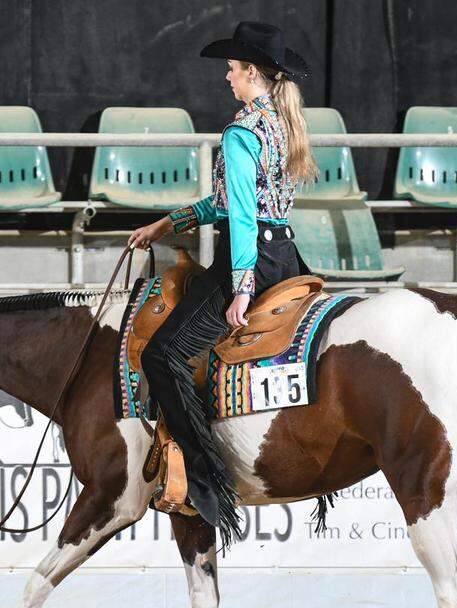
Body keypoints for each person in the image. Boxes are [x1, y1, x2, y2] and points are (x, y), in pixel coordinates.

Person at [127, 21, 317, 539]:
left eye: (232, 71)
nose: (227, 80)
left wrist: (240, 287)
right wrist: (168, 224)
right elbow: (230, 202)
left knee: (160, 355)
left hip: (250, 257)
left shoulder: (239, 131)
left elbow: (240, 219)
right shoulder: (281, 123)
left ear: (252, 72)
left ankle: (205, 478)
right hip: (286, 255)